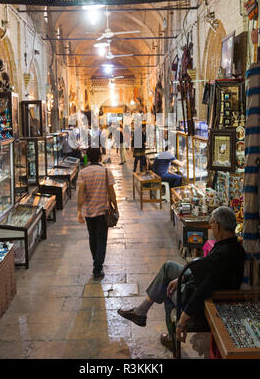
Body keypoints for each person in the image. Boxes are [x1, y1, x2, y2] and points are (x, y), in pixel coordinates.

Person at [117, 206, 246, 352]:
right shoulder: (232, 246)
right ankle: (141, 311)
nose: (211, 226)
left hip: (204, 300)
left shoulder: (222, 255)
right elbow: (206, 274)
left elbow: (203, 290)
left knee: (167, 289)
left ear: (218, 225)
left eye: (212, 223)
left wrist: (182, 320)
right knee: (169, 267)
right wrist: (182, 278)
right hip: (198, 285)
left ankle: (168, 335)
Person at [77, 147, 118, 279]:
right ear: (100, 157)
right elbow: (111, 192)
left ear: (87, 158)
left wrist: (79, 211)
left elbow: (81, 193)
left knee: (92, 237)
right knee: (101, 239)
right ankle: (97, 267)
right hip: (102, 211)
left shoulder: (83, 173)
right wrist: (116, 206)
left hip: (89, 212)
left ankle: (96, 262)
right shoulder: (106, 171)